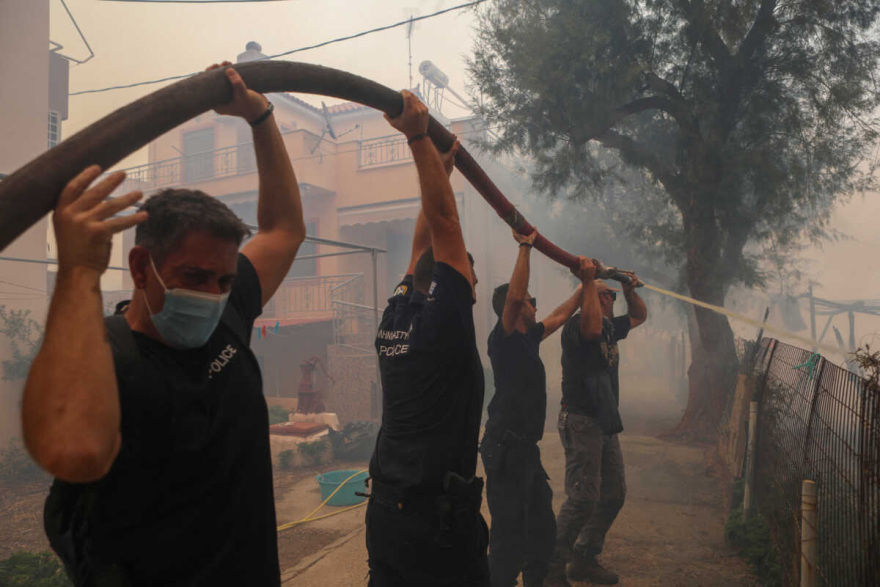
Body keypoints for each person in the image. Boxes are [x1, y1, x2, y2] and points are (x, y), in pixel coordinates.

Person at [22, 62, 306, 586]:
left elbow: (284, 227)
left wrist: (261, 117)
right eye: (193, 276)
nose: (212, 293)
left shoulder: (228, 312)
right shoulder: (103, 355)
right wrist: (79, 269)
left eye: (223, 280)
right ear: (138, 267)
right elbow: (77, 452)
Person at [366, 90, 488, 587]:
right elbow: (443, 227)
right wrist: (418, 138)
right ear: (457, 279)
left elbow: (424, 246)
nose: (473, 283)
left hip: (388, 513)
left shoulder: (398, 313)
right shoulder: (445, 322)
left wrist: (440, 167)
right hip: (433, 522)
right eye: (469, 273)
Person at [480, 228, 583, 587]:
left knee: (541, 529)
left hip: (525, 450)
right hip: (505, 450)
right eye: (530, 299)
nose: (535, 303)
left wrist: (586, 285)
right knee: (509, 541)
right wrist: (525, 245)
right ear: (518, 305)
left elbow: (558, 315)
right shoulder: (503, 340)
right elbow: (513, 298)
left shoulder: (528, 338)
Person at [544, 259, 647, 587]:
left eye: (612, 297)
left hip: (604, 420)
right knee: (583, 498)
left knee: (613, 493)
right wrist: (588, 282)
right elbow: (589, 328)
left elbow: (640, 316)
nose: (611, 300)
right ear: (591, 297)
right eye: (607, 296)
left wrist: (630, 293)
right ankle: (552, 567)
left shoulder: (609, 327)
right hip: (580, 420)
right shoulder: (579, 327)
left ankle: (584, 558)